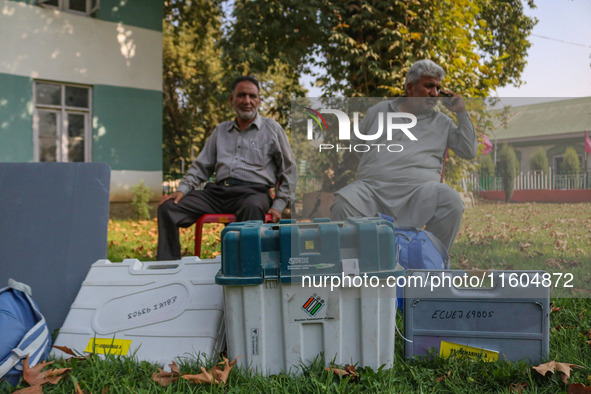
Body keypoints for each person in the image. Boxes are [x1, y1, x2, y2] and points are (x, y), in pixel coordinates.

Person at [330, 59, 476, 251]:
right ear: (410, 87)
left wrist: (462, 112)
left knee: (452, 202)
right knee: (342, 204)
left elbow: (468, 151)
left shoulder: (443, 122)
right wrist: (381, 165)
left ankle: (430, 263)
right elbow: (358, 145)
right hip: (372, 190)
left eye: (438, 88)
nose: (434, 93)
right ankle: (363, 267)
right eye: (429, 86)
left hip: (419, 192)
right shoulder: (379, 111)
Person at [157, 76, 298, 260]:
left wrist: (279, 205)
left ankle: (245, 270)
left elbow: (289, 170)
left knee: (253, 209)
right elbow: (201, 167)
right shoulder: (221, 131)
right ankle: (168, 269)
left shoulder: (272, 129)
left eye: (252, 96)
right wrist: (182, 190)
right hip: (218, 193)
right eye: (241, 95)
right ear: (232, 100)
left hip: (253, 193)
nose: (247, 101)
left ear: (259, 101)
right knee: (168, 208)